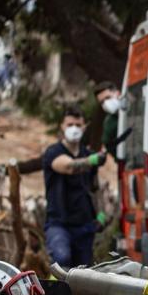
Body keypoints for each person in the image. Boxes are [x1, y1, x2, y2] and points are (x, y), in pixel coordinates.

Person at [42, 106, 107, 269]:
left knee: (83, 271)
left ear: (84, 127)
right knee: (61, 259)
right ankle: (55, 292)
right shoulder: (53, 152)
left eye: (78, 125)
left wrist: (100, 213)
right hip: (59, 223)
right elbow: (68, 166)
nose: (74, 129)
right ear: (62, 127)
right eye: (70, 124)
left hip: (84, 224)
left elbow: (95, 187)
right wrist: (91, 160)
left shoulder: (87, 153)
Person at [94, 80, 123, 157]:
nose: (106, 103)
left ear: (118, 93)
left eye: (108, 98)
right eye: (102, 102)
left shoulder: (136, 106)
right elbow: (107, 147)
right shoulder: (109, 122)